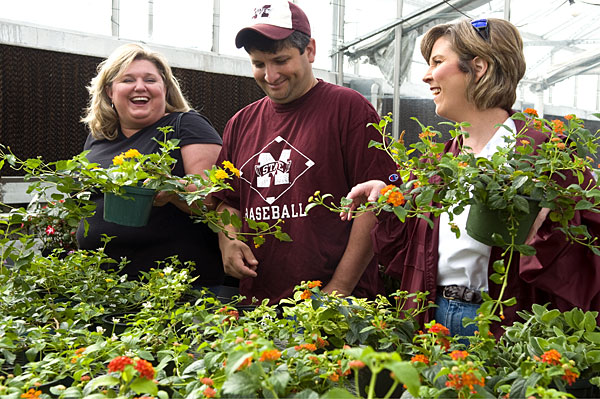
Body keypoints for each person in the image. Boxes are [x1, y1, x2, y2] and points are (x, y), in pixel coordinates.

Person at [342, 18, 600, 337]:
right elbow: (413, 256)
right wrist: (389, 201)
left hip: (503, 321)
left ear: (478, 67)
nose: (426, 76)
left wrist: (549, 229)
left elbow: (587, 251)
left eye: (437, 62)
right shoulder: (439, 161)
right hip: (433, 316)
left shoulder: (544, 154)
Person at [213, 0, 397, 305]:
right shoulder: (240, 123)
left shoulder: (348, 109)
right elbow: (228, 200)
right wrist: (229, 240)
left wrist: (339, 289)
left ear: (309, 50)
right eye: (259, 64)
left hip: (335, 304)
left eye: (281, 60)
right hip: (258, 305)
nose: (270, 75)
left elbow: (373, 204)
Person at [77, 43, 224, 291]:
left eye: (150, 79)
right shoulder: (99, 138)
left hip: (176, 287)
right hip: (105, 287)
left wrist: (174, 190)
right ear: (110, 91)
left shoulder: (186, 125)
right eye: (128, 79)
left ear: (164, 89)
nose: (140, 87)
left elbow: (215, 198)